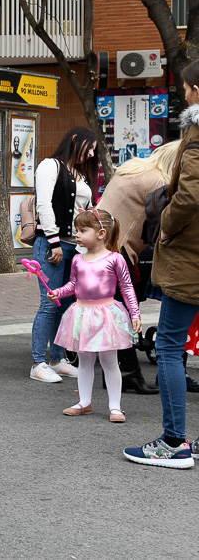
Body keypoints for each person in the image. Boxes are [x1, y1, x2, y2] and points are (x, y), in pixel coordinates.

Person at [124, 59, 199, 469]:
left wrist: (166, 227)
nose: (183, 92)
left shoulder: (197, 137)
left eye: (186, 87)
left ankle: (174, 442)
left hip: (190, 259)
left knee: (169, 345)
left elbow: (188, 197)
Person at [97, 141, 182, 396]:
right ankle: (128, 373)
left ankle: (120, 372)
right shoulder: (157, 181)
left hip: (101, 247)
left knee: (115, 313)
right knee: (122, 314)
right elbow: (166, 226)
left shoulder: (131, 170)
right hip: (117, 250)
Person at [48, 209, 141, 422]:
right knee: (85, 360)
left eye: (82, 230)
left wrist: (135, 313)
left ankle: (115, 406)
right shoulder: (78, 260)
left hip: (106, 314)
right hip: (82, 313)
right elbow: (73, 284)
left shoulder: (115, 259)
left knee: (109, 360)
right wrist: (58, 293)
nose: (77, 234)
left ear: (101, 233)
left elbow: (127, 287)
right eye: (76, 230)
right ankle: (84, 402)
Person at [28, 126, 98, 383]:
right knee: (50, 303)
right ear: (76, 140)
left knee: (66, 304)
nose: (91, 154)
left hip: (76, 248)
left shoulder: (81, 174)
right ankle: (38, 363)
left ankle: (57, 360)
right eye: (90, 147)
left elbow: (87, 209)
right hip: (51, 246)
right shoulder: (50, 166)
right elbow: (44, 204)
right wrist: (54, 242)